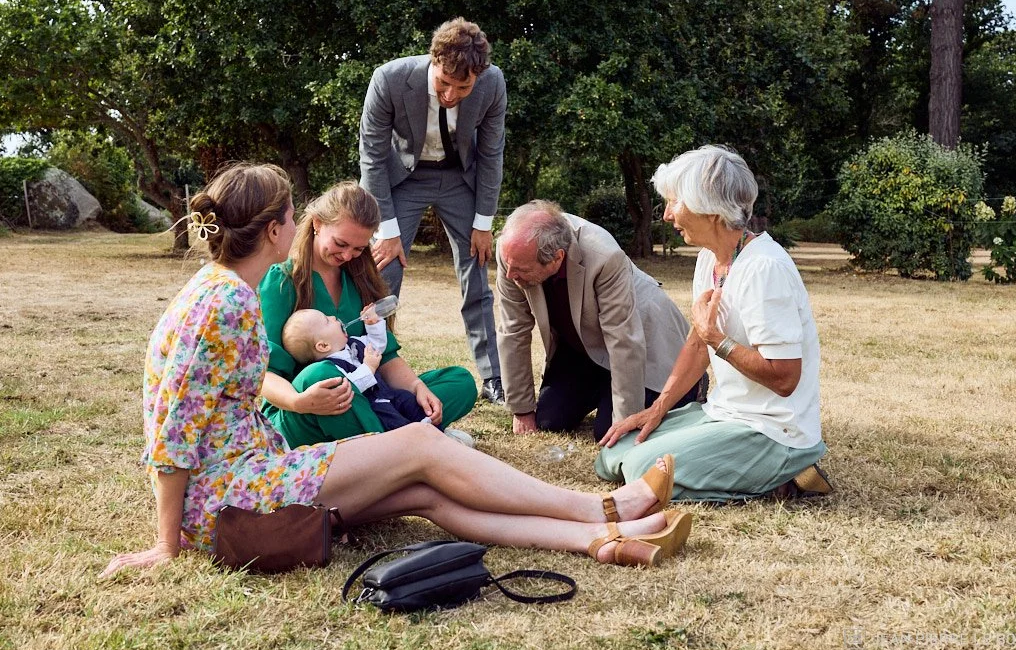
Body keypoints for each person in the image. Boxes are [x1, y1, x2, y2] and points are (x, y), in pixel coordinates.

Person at [100, 162, 693, 578]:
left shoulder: (225, 290)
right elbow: (172, 428)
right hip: (231, 496)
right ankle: (602, 508)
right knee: (421, 446)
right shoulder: (225, 301)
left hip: (253, 474)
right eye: (293, 214)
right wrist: (166, 542)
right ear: (277, 228)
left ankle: (598, 540)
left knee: (424, 492)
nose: (298, 224)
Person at [597, 145, 832, 501]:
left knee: (641, 471)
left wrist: (717, 339)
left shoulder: (764, 269)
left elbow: (785, 378)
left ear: (709, 209)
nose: (667, 215)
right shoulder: (709, 259)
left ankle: (786, 475)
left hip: (774, 431)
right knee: (613, 455)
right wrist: (656, 410)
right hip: (724, 413)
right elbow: (697, 344)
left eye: (674, 202)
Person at [258, 182, 476, 447]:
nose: (347, 255)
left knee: (459, 382)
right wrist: (299, 402)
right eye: (341, 243)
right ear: (317, 224)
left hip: (371, 398)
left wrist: (418, 388)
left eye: (359, 249)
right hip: (307, 411)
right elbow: (264, 374)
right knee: (324, 376)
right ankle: (406, 448)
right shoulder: (281, 280)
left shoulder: (358, 278)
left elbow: (386, 357)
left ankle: (404, 441)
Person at [359, 17, 506, 405]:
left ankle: (493, 377)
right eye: (444, 83)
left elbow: (491, 154)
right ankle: (371, 369)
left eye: (463, 87)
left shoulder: (493, 83)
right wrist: (387, 230)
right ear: (433, 60)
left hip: (460, 179)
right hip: (403, 178)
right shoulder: (389, 79)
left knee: (476, 270)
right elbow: (372, 157)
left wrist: (484, 223)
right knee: (383, 273)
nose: (451, 95)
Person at [495, 201, 703, 442]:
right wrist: (521, 409)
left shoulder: (605, 256)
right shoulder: (513, 255)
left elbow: (623, 340)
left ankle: (692, 387)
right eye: (509, 266)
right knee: (549, 420)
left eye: (520, 269)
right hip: (585, 346)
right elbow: (513, 330)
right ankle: (604, 389)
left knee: (608, 431)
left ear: (556, 258)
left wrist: (625, 422)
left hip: (645, 344)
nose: (510, 275)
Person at [281, 306, 475, 447]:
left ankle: (434, 433)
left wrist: (373, 325)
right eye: (326, 320)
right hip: (372, 407)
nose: (333, 316)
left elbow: (378, 345)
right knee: (393, 421)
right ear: (323, 346)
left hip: (388, 395)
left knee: (409, 401)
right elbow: (351, 388)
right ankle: (416, 444)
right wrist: (369, 367)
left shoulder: (353, 344)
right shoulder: (329, 368)